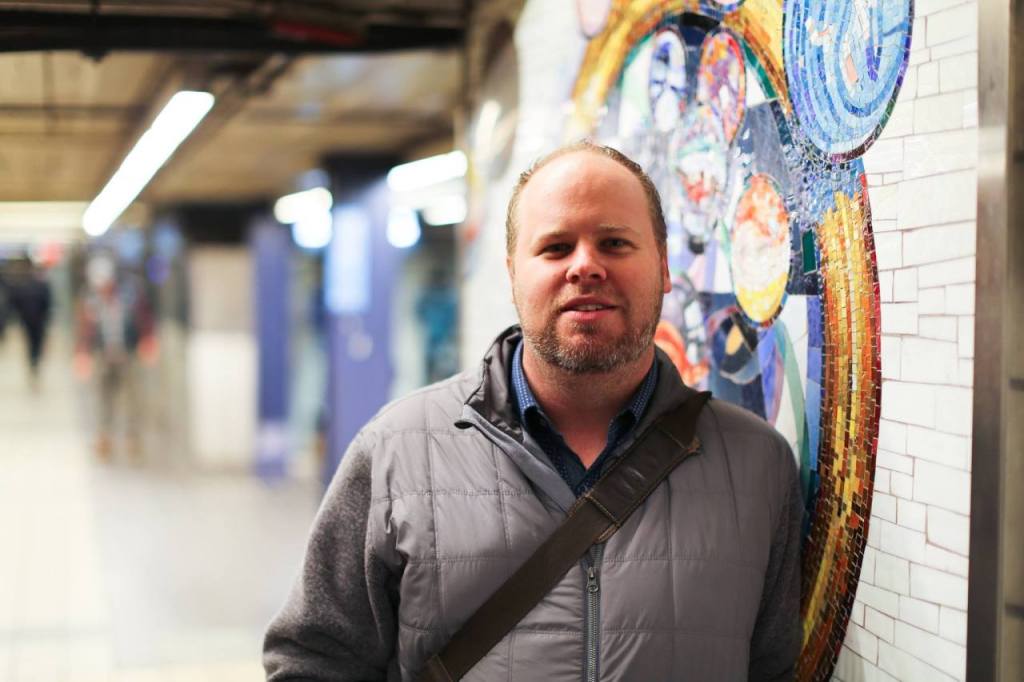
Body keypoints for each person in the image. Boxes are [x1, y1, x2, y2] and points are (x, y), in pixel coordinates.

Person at [264, 142, 802, 681]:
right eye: (555, 247)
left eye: (614, 243)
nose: (585, 266)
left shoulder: (756, 465)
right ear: (513, 275)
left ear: (663, 266)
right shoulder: (395, 453)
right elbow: (313, 662)